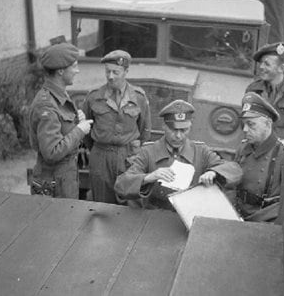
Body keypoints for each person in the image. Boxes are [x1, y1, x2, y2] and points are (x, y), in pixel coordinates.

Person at [114, 100, 242, 210]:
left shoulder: (201, 151)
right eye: (174, 130)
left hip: (189, 215)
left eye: (183, 130)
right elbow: (121, 185)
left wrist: (214, 172)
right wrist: (148, 177)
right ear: (164, 126)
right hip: (154, 217)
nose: (179, 136)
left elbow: (234, 170)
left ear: (190, 127)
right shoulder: (148, 152)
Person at [82, 50, 152, 204]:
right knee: (101, 205)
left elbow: (144, 130)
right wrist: (99, 147)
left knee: (130, 203)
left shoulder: (138, 98)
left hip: (128, 157)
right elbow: (86, 130)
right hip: (101, 157)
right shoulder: (94, 97)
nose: (110, 76)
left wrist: (131, 149)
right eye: (107, 72)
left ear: (126, 71)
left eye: (116, 72)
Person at [27, 43, 94, 198]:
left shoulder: (58, 94)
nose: (77, 71)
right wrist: (79, 131)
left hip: (64, 178)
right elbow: (51, 152)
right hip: (53, 181)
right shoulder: (46, 104)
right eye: (74, 66)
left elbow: (60, 129)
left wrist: (76, 123)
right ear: (61, 71)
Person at [232, 92, 284, 223]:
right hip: (238, 213)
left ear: (267, 124)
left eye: (251, 124)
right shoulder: (244, 148)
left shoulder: (282, 154)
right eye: (244, 124)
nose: (245, 129)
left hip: (265, 219)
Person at [245, 42, 284, 145]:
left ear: (281, 68)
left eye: (267, 64)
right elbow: (245, 125)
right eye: (261, 63)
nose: (261, 67)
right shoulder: (253, 90)